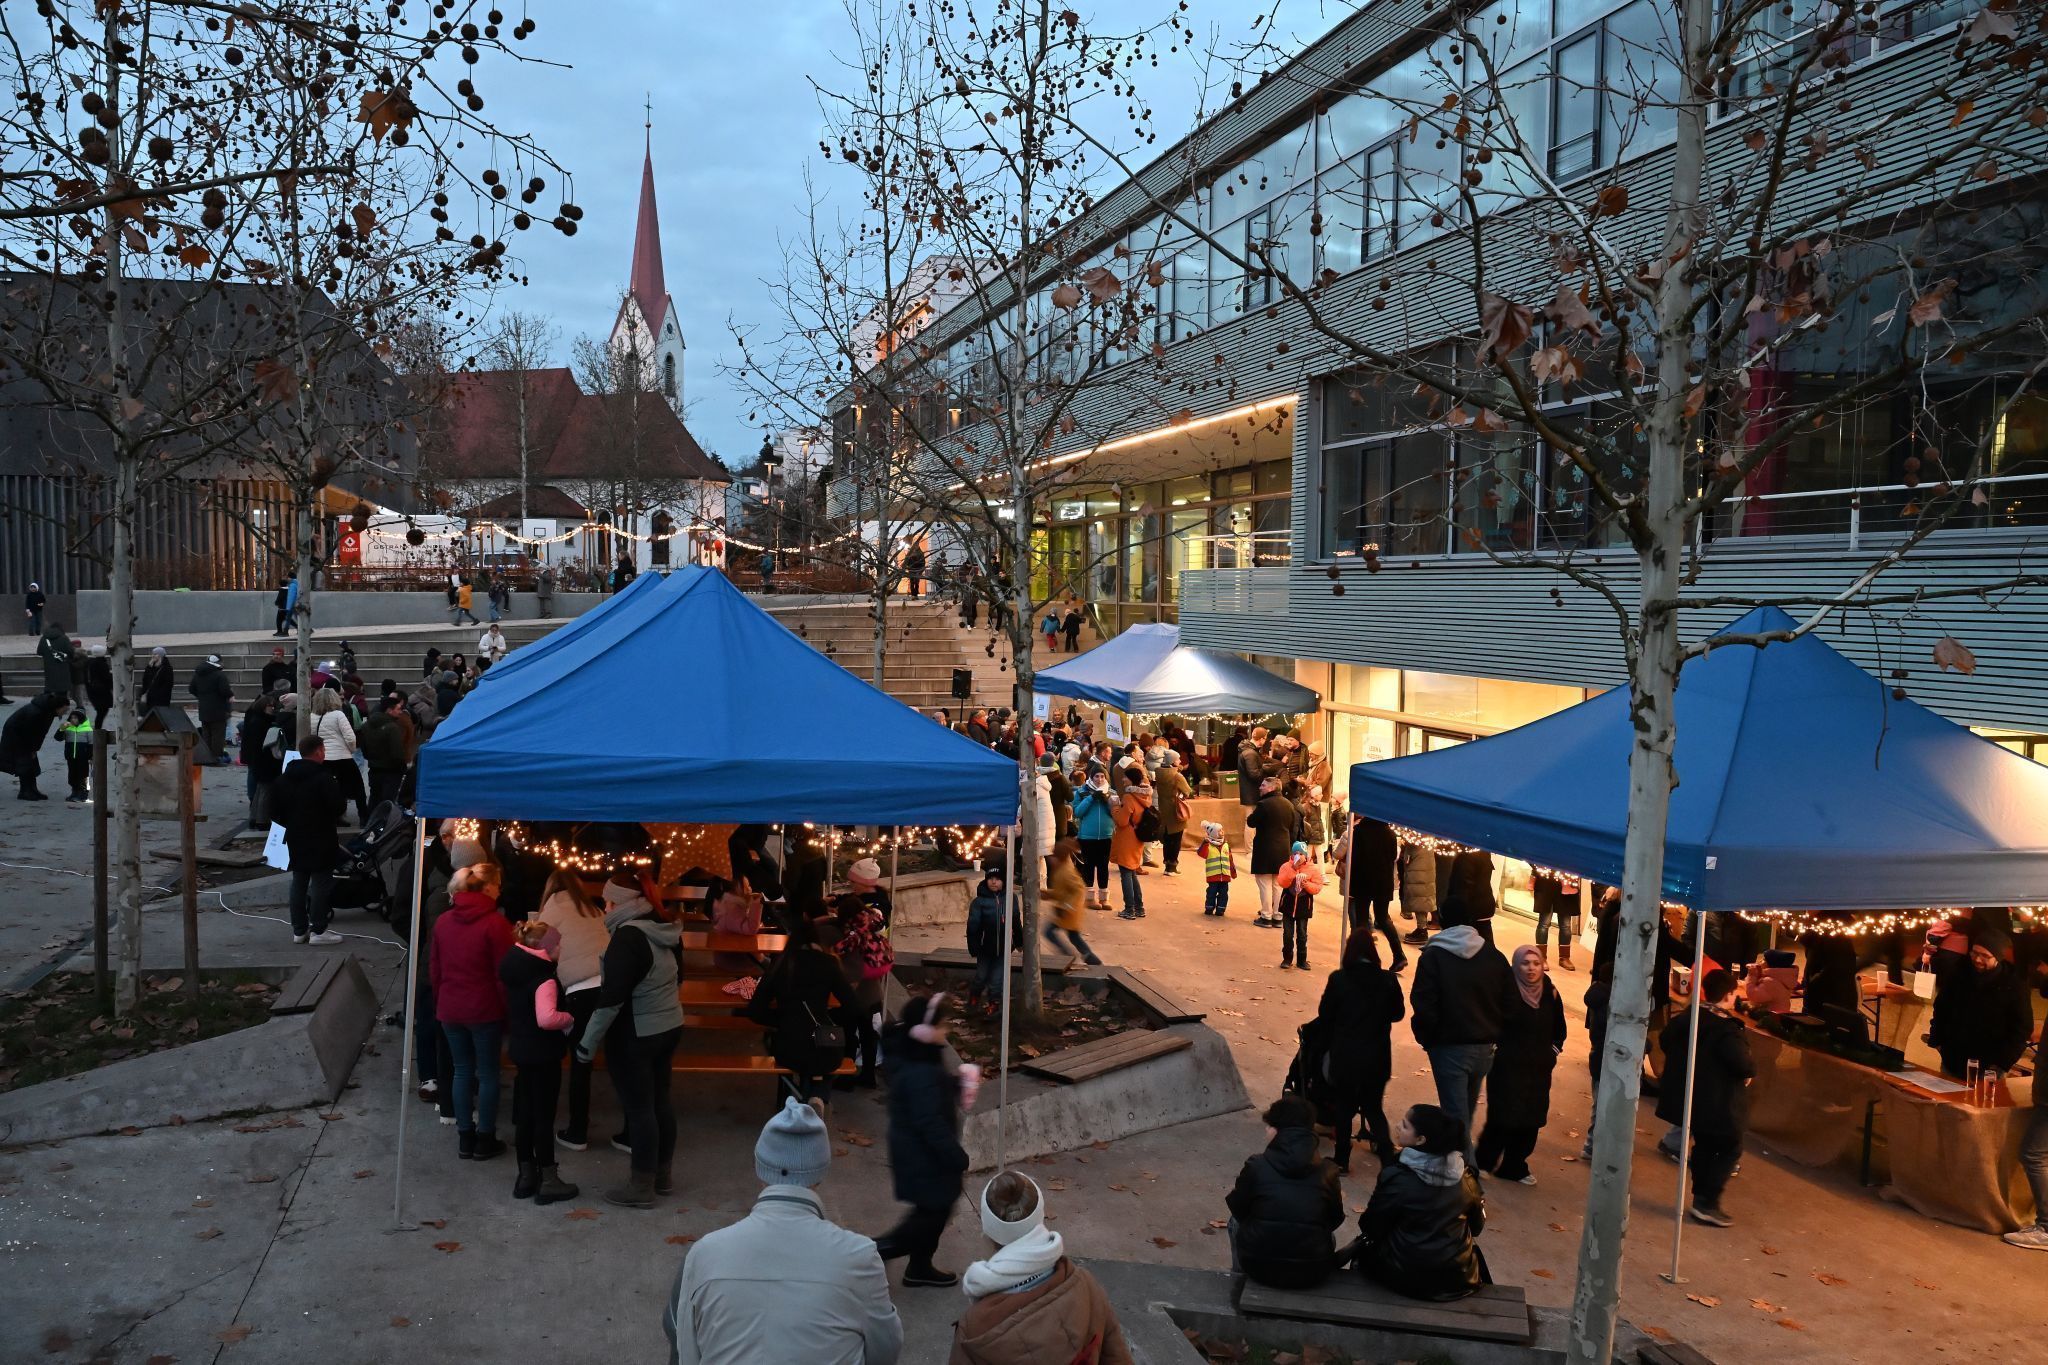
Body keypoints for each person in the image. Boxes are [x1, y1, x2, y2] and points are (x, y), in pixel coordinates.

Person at [665, 1098, 903, 1365]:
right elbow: (885, 1350)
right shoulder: (860, 1257)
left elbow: (683, 1346)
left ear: (759, 1168)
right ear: (821, 1173)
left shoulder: (703, 1253)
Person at [577, 869, 685, 1207]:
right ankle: (661, 1176)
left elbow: (611, 998)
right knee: (660, 1101)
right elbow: (680, 976)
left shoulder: (628, 938)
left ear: (622, 904)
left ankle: (641, 1186)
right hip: (669, 1024)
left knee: (640, 1109)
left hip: (637, 1033)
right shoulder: (665, 929)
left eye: (608, 902)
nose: (605, 909)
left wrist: (586, 1045)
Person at [951, 1171, 1132, 1365]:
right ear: (1040, 1217)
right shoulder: (1086, 1285)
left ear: (989, 1232)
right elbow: (1116, 1357)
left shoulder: (975, 1329)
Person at [876, 994, 971, 1288]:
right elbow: (928, 1120)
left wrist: (953, 1084)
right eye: (942, 1025)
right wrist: (956, 1155)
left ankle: (919, 1266)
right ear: (924, 1030)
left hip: (919, 1154)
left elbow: (930, 1098)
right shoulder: (920, 1070)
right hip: (922, 1156)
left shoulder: (921, 1057)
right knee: (931, 1214)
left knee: (935, 1210)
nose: (947, 1030)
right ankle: (879, 1250)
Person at [1409, 901, 1516, 1149]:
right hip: (1484, 1048)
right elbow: (1510, 1001)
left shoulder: (1434, 955)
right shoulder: (1493, 956)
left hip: (1449, 1047)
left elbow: (1423, 1001)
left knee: (1456, 1120)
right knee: (1463, 1114)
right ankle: (1460, 1171)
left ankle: (1466, 1178)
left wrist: (1428, 1038)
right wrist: (1496, 1031)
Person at [1354, 1104, 1488, 1301]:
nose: (1398, 1126)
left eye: (1405, 1125)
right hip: (1457, 1279)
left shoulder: (1397, 1178)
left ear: (1421, 1140)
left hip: (1403, 1276)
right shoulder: (1466, 1178)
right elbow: (1476, 1227)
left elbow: (1371, 1226)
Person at [1657, 969, 1755, 1228]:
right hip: (1718, 1101)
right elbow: (1742, 1064)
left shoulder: (1689, 1017)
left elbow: (1666, 1040)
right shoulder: (1726, 1029)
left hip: (1693, 1097)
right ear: (1730, 994)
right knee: (1728, 1147)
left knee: (1703, 1145)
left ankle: (1701, 1197)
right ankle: (1707, 1201)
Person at [432, 862, 514, 1160]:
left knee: (461, 1071)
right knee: (489, 1073)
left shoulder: (443, 921)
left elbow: (435, 969)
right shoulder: (495, 924)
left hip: (451, 1008)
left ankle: (465, 1136)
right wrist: (508, 1013)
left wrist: (443, 998)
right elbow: (503, 975)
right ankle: (485, 1137)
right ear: (486, 888)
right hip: (484, 1010)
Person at [1225, 1095, 1345, 1289]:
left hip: (1258, 1267)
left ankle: (1239, 1277)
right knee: (1322, 1230)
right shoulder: (1328, 1171)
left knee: (1234, 1222)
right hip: (1313, 1271)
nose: (1266, 1130)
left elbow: (1238, 1208)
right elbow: (1335, 1219)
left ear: (1279, 1130)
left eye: (1270, 1125)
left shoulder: (1257, 1165)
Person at [498, 919, 579, 1203]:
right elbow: (546, 1018)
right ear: (546, 948)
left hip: (521, 1049)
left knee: (525, 1115)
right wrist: (569, 1018)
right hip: (543, 1053)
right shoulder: (544, 978)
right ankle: (549, 1178)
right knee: (544, 1117)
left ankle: (525, 1176)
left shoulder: (514, 967)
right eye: (557, 943)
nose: (561, 948)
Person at [1474, 945, 1568, 1185]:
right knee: (1502, 1116)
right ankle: (1484, 1161)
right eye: (1525, 963)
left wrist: (1552, 1053)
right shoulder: (1505, 990)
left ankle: (1514, 1166)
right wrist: (1495, 1050)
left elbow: (1559, 1029)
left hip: (1538, 1069)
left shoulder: (1551, 992)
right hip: (1506, 1067)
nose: (1531, 968)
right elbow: (1489, 1021)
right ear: (1516, 965)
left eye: (1536, 963)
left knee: (1531, 1118)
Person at [532, 869, 610, 1151]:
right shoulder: (594, 909)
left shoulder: (551, 910)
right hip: (611, 987)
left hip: (580, 992)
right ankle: (630, 1131)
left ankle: (577, 1131)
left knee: (580, 1062)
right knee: (617, 1061)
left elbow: (540, 952)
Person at [1318, 933, 1406, 1169]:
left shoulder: (1339, 979)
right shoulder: (1387, 980)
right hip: (1377, 1055)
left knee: (1345, 1106)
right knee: (1374, 1107)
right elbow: (1398, 1014)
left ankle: (1342, 1159)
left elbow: (1325, 1014)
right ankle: (1387, 1157)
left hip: (1346, 1054)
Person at [749, 916, 859, 1104]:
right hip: (824, 1048)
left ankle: (794, 1100)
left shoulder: (781, 965)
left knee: (789, 1053)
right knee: (829, 1059)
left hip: (788, 1048)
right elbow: (853, 1006)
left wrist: (784, 1019)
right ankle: (818, 1095)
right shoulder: (828, 963)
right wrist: (827, 1017)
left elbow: (755, 1011)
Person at [267, 735, 345, 943]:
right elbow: (338, 807)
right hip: (322, 837)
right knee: (320, 883)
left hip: (295, 837)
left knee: (298, 882)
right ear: (319, 751)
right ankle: (319, 929)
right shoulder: (324, 778)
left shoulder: (284, 778)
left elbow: (272, 810)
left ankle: (299, 930)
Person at [1929, 927, 2034, 1081]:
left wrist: (2002, 1063)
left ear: (1997, 958)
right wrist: (1937, 1040)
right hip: (1952, 1058)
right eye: (1975, 953)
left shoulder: (2014, 984)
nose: (1977, 959)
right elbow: (1941, 1008)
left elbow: (2022, 1027)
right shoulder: (1958, 973)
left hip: (1990, 1065)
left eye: (1985, 956)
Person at [834, 901, 892, 1088]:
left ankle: (847, 1076)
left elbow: (843, 958)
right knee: (868, 1034)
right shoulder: (872, 925)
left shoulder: (850, 935)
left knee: (849, 1035)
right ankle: (868, 1075)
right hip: (873, 993)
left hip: (855, 994)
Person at [1345, 817, 1408, 970]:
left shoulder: (1359, 831)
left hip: (1363, 881)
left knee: (1361, 920)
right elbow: (1394, 856)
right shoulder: (1390, 833)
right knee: (1383, 917)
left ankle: (1366, 958)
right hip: (1383, 882)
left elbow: (1355, 858)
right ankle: (1399, 955)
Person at [309, 689, 368, 824]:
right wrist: (351, 750)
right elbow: (350, 737)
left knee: (330, 789)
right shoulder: (338, 715)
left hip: (322, 758)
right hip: (342, 756)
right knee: (358, 788)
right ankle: (363, 817)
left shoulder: (311, 717)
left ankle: (334, 817)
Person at [1041, 837, 1102, 967]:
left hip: (1068, 912)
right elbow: (1062, 892)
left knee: (1049, 932)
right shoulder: (1060, 870)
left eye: (1053, 857)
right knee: (1074, 937)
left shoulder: (1066, 872)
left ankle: (1068, 955)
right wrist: (1047, 894)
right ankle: (1091, 959)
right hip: (1066, 911)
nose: (1050, 860)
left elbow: (1079, 890)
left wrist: (1067, 906)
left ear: (1059, 858)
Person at [1247, 776, 1298, 928]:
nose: (1260, 787)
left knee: (1264, 884)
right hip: (1283, 849)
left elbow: (1251, 822)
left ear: (1271, 788)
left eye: (1263, 785)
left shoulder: (1263, 804)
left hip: (1265, 848)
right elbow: (1292, 827)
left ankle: (1266, 916)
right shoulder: (1289, 805)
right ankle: (1277, 916)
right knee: (1278, 884)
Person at [1, 692, 65, 800]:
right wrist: (32, 748)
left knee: (31, 762)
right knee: (24, 763)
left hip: (23, 736)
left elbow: (40, 733)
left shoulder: (47, 711)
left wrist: (35, 748)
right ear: (57, 707)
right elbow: (31, 733)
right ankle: (25, 791)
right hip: (17, 736)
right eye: (64, 709)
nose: (65, 712)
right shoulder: (37, 712)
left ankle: (32, 789)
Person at [1275, 841, 1324, 971]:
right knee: (1287, 934)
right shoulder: (1286, 866)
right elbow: (1282, 882)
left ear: (1306, 855)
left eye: (1301, 853)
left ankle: (1302, 960)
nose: (1298, 856)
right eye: (1296, 853)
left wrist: (1306, 884)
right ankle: (1287, 958)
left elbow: (1318, 887)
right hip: (1288, 905)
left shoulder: (1313, 869)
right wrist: (1293, 870)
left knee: (1302, 933)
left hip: (1303, 906)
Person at [1110, 775, 1152, 920]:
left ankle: (1129, 909)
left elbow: (1122, 821)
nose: (1123, 780)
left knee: (1126, 874)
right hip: (1137, 838)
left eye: (1126, 778)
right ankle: (1139, 907)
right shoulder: (1145, 796)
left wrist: (1115, 807)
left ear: (1132, 780)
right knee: (1132, 873)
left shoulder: (1129, 797)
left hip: (1127, 838)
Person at [1071, 770, 1115, 910]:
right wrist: (1091, 798)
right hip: (1087, 836)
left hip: (1106, 835)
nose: (1099, 779)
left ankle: (1104, 898)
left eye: (1102, 776)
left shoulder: (1111, 792)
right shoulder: (1081, 792)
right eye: (1096, 776)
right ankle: (1089, 898)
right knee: (1089, 866)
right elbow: (1077, 812)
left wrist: (1107, 801)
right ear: (1091, 777)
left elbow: (1114, 813)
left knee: (1103, 867)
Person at [357, 694, 409, 811]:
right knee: (388, 802)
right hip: (391, 771)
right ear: (389, 710)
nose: (401, 712)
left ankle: (370, 823)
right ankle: (385, 826)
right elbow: (397, 753)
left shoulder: (366, 726)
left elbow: (364, 749)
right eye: (398, 709)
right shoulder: (392, 728)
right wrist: (403, 768)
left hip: (374, 768)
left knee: (375, 798)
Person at [1436, 848, 1498, 945]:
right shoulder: (1482, 851)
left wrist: (1456, 911)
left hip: (1473, 909)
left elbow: (1463, 886)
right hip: (1483, 906)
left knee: (1476, 944)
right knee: (1486, 942)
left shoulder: (1466, 857)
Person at [966, 869, 1007, 1008]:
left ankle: (993, 1004)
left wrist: (1018, 941)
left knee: (997, 980)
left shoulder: (1008, 899)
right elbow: (972, 927)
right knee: (981, 977)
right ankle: (974, 996)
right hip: (984, 948)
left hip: (1003, 948)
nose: (994, 882)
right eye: (990, 879)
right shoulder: (979, 902)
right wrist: (973, 947)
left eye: (997, 879)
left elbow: (1015, 920)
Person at [187, 653, 235, 765]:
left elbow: (191, 689)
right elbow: (224, 691)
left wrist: (202, 697)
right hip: (218, 708)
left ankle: (206, 756)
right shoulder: (219, 675)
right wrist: (230, 695)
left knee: (206, 733)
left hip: (204, 707)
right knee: (218, 734)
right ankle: (216, 758)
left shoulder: (198, 674)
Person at [1530, 871, 1579, 971]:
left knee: (1566, 925)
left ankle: (1564, 957)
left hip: (1567, 881)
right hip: (1546, 882)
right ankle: (1541, 957)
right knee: (1544, 923)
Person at [1153, 750, 1192, 876]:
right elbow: (1187, 791)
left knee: (1168, 838)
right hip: (1176, 810)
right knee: (1176, 839)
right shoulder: (1177, 776)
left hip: (1164, 809)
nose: (1180, 761)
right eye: (1178, 759)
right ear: (1173, 761)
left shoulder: (1159, 773)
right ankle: (1172, 866)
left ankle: (1166, 865)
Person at [1197, 821, 1237, 916]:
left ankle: (1221, 909)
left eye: (1222, 829)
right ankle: (1209, 908)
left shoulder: (1226, 845)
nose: (1222, 831)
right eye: (1219, 830)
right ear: (1214, 833)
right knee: (1211, 893)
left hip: (1225, 875)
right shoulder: (1208, 845)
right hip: (1213, 876)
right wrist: (1205, 843)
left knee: (1224, 894)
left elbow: (1230, 859)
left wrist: (1233, 872)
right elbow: (1201, 854)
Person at [57, 706, 93, 804]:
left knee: (83, 775)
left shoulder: (88, 729)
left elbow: (91, 744)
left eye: (76, 718)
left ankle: (84, 794)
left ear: (81, 718)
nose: (73, 720)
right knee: (72, 775)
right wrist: (61, 729)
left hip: (83, 758)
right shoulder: (68, 728)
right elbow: (58, 738)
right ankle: (75, 792)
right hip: (71, 757)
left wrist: (90, 757)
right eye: (72, 718)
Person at [37, 621, 75, 699]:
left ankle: (47, 704)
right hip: (62, 666)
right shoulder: (64, 638)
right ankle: (61, 705)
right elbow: (71, 651)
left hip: (49, 667)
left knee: (49, 686)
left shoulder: (44, 638)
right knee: (62, 689)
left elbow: (39, 651)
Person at [83, 644, 113, 726]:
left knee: (101, 711)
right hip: (101, 691)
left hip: (92, 690)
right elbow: (106, 677)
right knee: (102, 711)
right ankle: (97, 730)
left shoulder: (89, 662)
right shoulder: (101, 664)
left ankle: (97, 728)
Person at [140, 645, 174, 710]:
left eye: (155, 654)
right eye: (153, 654)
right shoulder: (151, 666)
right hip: (150, 698)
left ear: (160, 655)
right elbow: (145, 680)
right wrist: (149, 667)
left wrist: (158, 694)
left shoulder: (167, 668)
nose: (153, 656)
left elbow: (168, 684)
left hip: (161, 699)